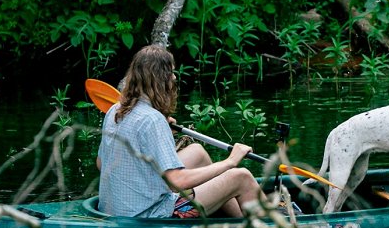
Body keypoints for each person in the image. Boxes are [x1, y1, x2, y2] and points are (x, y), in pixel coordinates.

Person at [96, 45, 268, 218]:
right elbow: (177, 181)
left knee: (197, 152)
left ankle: (236, 217)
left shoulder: (115, 110)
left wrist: (158, 136)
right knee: (242, 176)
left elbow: (101, 164)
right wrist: (230, 162)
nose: (174, 77)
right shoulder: (152, 120)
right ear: (159, 79)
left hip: (118, 207)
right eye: (170, 73)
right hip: (151, 214)